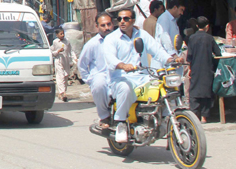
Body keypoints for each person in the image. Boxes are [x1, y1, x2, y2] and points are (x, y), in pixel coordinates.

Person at [103, 8, 176, 144]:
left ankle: (165, 118)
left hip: (143, 76)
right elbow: (110, 58)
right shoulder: (111, 39)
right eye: (119, 19)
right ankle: (121, 123)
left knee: (163, 86)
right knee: (125, 88)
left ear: (133, 20)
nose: (122, 22)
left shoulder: (142, 35)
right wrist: (123, 65)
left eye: (126, 19)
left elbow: (157, 49)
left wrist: (170, 60)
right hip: (120, 78)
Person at [78, 12, 114, 128]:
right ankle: (104, 117)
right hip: (101, 75)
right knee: (99, 85)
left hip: (116, 75)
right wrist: (89, 80)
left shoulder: (119, 40)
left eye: (109, 24)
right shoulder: (92, 44)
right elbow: (82, 64)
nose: (106, 28)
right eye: (103, 25)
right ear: (97, 27)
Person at [186, 16, 221, 123]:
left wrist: (189, 69)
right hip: (207, 69)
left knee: (194, 91)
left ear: (197, 26)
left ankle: (195, 116)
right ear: (207, 26)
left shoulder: (191, 38)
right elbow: (218, 53)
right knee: (206, 92)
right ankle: (204, 117)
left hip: (195, 68)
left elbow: (189, 56)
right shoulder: (210, 38)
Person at [50, 27, 77, 102]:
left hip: (66, 61)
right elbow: (52, 52)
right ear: (57, 35)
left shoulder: (67, 41)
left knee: (66, 76)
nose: (62, 35)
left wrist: (74, 58)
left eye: (63, 33)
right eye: (60, 34)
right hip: (58, 60)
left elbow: (70, 50)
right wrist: (58, 51)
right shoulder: (55, 42)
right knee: (60, 76)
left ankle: (62, 92)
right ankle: (63, 93)